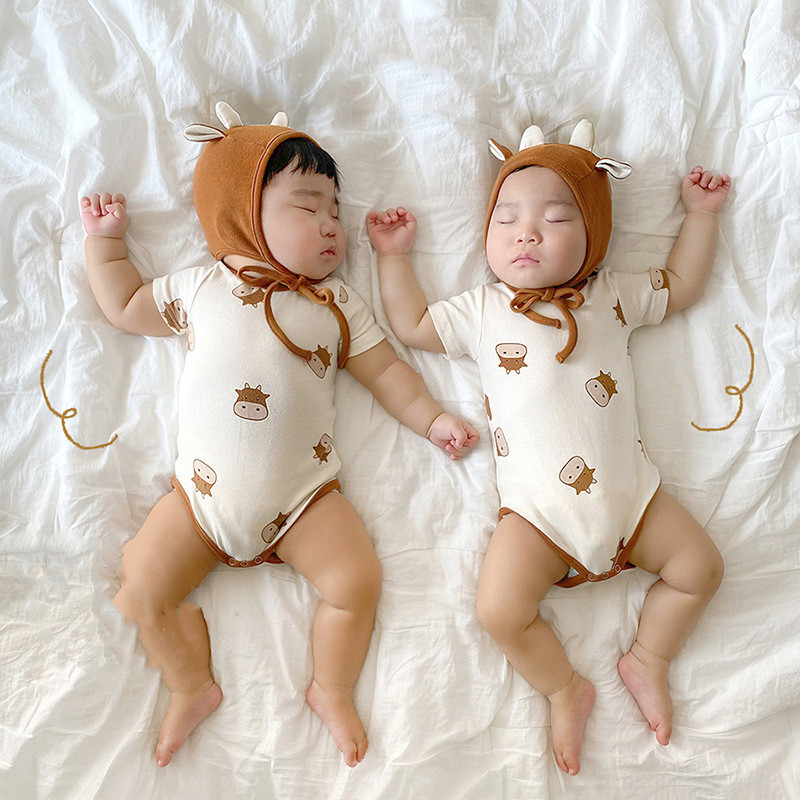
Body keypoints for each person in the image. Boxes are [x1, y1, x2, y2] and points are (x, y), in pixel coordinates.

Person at [80, 103, 478, 769]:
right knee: (139, 589)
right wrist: (106, 245)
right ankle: (190, 684)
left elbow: (387, 373)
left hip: (305, 500)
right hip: (199, 500)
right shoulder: (200, 289)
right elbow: (124, 305)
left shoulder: (337, 304)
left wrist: (433, 419)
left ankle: (332, 688)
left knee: (357, 582)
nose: (330, 225)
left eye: (335, 212)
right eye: (308, 206)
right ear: (242, 213)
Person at [368, 119, 729, 776]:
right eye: (506, 219)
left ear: (594, 236)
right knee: (498, 611)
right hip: (536, 519)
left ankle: (648, 658)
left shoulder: (611, 295)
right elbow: (414, 325)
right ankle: (564, 688)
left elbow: (681, 285)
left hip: (635, 503)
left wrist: (701, 216)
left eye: (556, 218)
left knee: (701, 569)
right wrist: (394, 259)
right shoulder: (483, 309)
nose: (526, 233)